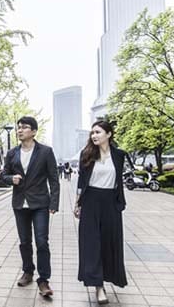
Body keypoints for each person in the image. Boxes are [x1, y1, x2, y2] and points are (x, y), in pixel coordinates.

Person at [0, 116, 60, 297]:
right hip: (20, 204)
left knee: (42, 242)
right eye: (19, 127)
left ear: (33, 131)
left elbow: (54, 179)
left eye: (24, 127)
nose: (20, 130)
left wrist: (54, 203)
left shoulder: (46, 152)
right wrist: (12, 179)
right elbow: (3, 175)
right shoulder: (12, 153)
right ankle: (28, 271)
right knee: (24, 241)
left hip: (40, 203)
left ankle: (44, 280)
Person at [74, 120, 128, 304]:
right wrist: (77, 203)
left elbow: (119, 181)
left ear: (109, 134)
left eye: (98, 132)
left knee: (109, 243)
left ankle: (108, 278)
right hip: (90, 202)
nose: (94, 136)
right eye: (92, 133)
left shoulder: (119, 155)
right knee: (92, 244)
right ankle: (98, 287)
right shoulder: (87, 154)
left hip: (111, 204)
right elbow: (81, 182)